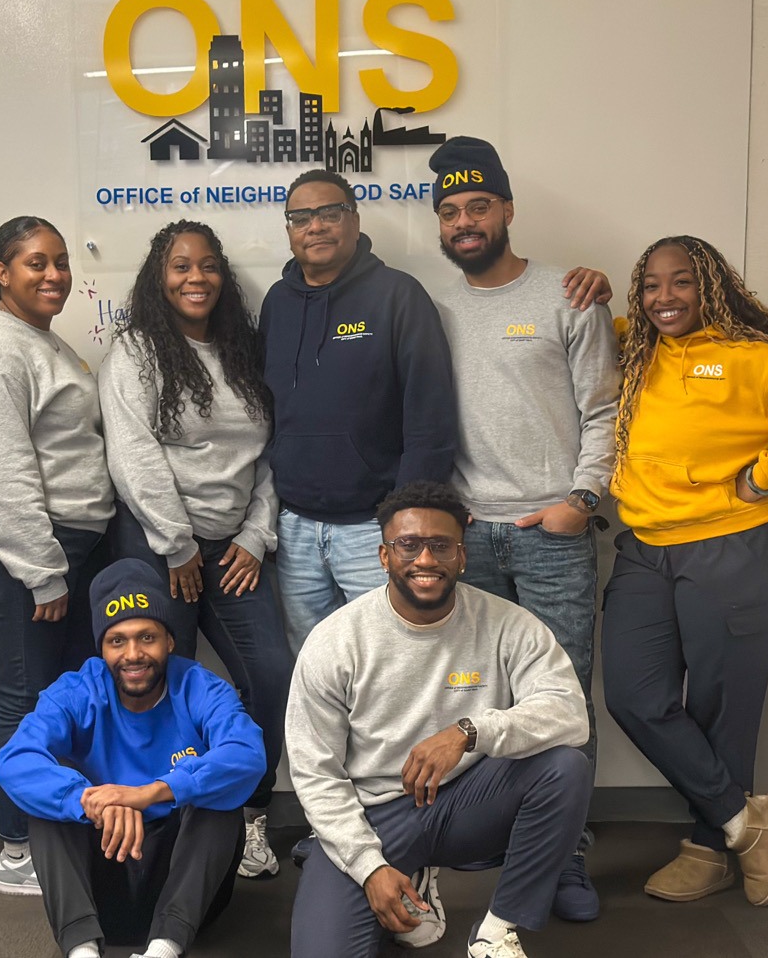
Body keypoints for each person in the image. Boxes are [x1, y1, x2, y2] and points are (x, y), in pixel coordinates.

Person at [602, 236, 768, 907]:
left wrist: (765, 475)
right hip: (646, 547)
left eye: (681, 282)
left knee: (721, 709)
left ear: (711, 286)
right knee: (633, 696)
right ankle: (745, 821)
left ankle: (709, 848)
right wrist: (584, 288)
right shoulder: (636, 349)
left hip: (736, 548)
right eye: (651, 285)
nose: (665, 298)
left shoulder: (752, 357)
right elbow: (589, 320)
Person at [428, 135, 622, 920]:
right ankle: (499, 831)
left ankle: (567, 858)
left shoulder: (568, 295)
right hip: (468, 540)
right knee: (476, 691)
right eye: (450, 212)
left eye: (478, 206)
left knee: (563, 695)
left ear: (507, 210)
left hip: (551, 533)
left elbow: (604, 408)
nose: (465, 222)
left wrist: (581, 499)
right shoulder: (431, 309)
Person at [286, 481, 592, 958]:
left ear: (462, 556)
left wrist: (471, 731)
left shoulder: (507, 623)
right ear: (384, 556)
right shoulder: (336, 641)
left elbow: (571, 715)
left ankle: (496, 931)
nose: (425, 559)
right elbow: (314, 772)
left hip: (467, 801)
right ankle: (407, 874)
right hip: (374, 815)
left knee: (564, 767)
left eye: (440, 546)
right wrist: (369, 867)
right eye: (408, 545)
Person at [98, 220, 294, 880]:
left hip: (234, 548)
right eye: (181, 266)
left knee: (271, 675)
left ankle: (248, 811)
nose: (196, 277)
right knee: (153, 683)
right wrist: (177, 544)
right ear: (160, 276)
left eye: (208, 265)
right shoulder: (137, 352)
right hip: (159, 546)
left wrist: (252, 534)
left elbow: (266, 457)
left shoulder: (243, 350)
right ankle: (165, 825)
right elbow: (132, 454)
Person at [0, 216, 115, 896]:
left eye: (61, 261)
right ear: (2, 273)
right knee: (25, 700)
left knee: (62, 696)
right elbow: (3, 474)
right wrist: (43, 572)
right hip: (23, 551)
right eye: (35, 263)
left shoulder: (39, 341)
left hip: (67, 542)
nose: (54, 275)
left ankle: (52, 828)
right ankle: (17, 850)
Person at [0, 558, 267, 958]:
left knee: (218, 795)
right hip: (103, 883)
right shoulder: (77, 689)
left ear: (170, 641)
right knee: (50, 804)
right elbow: (15, 758)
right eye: (117, 640)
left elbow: (247, 753)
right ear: (101, 647)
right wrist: (88, 800)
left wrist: (150, 793)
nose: (133, 654)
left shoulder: (200, 687)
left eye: (147, 637)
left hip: (184, 891)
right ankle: (82, 950)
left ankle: (164, 950)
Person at [259, 169, 458, 656]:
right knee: (314, 668)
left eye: (330, 212)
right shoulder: (277, 304)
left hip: (373, 531)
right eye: (301, 217)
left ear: (354, 219)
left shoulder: (398, 295)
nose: (316, 226)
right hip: (296, 530)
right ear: (288, 230)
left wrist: (404, 525)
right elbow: (267, 413)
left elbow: (429, 418)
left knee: (391, 663)